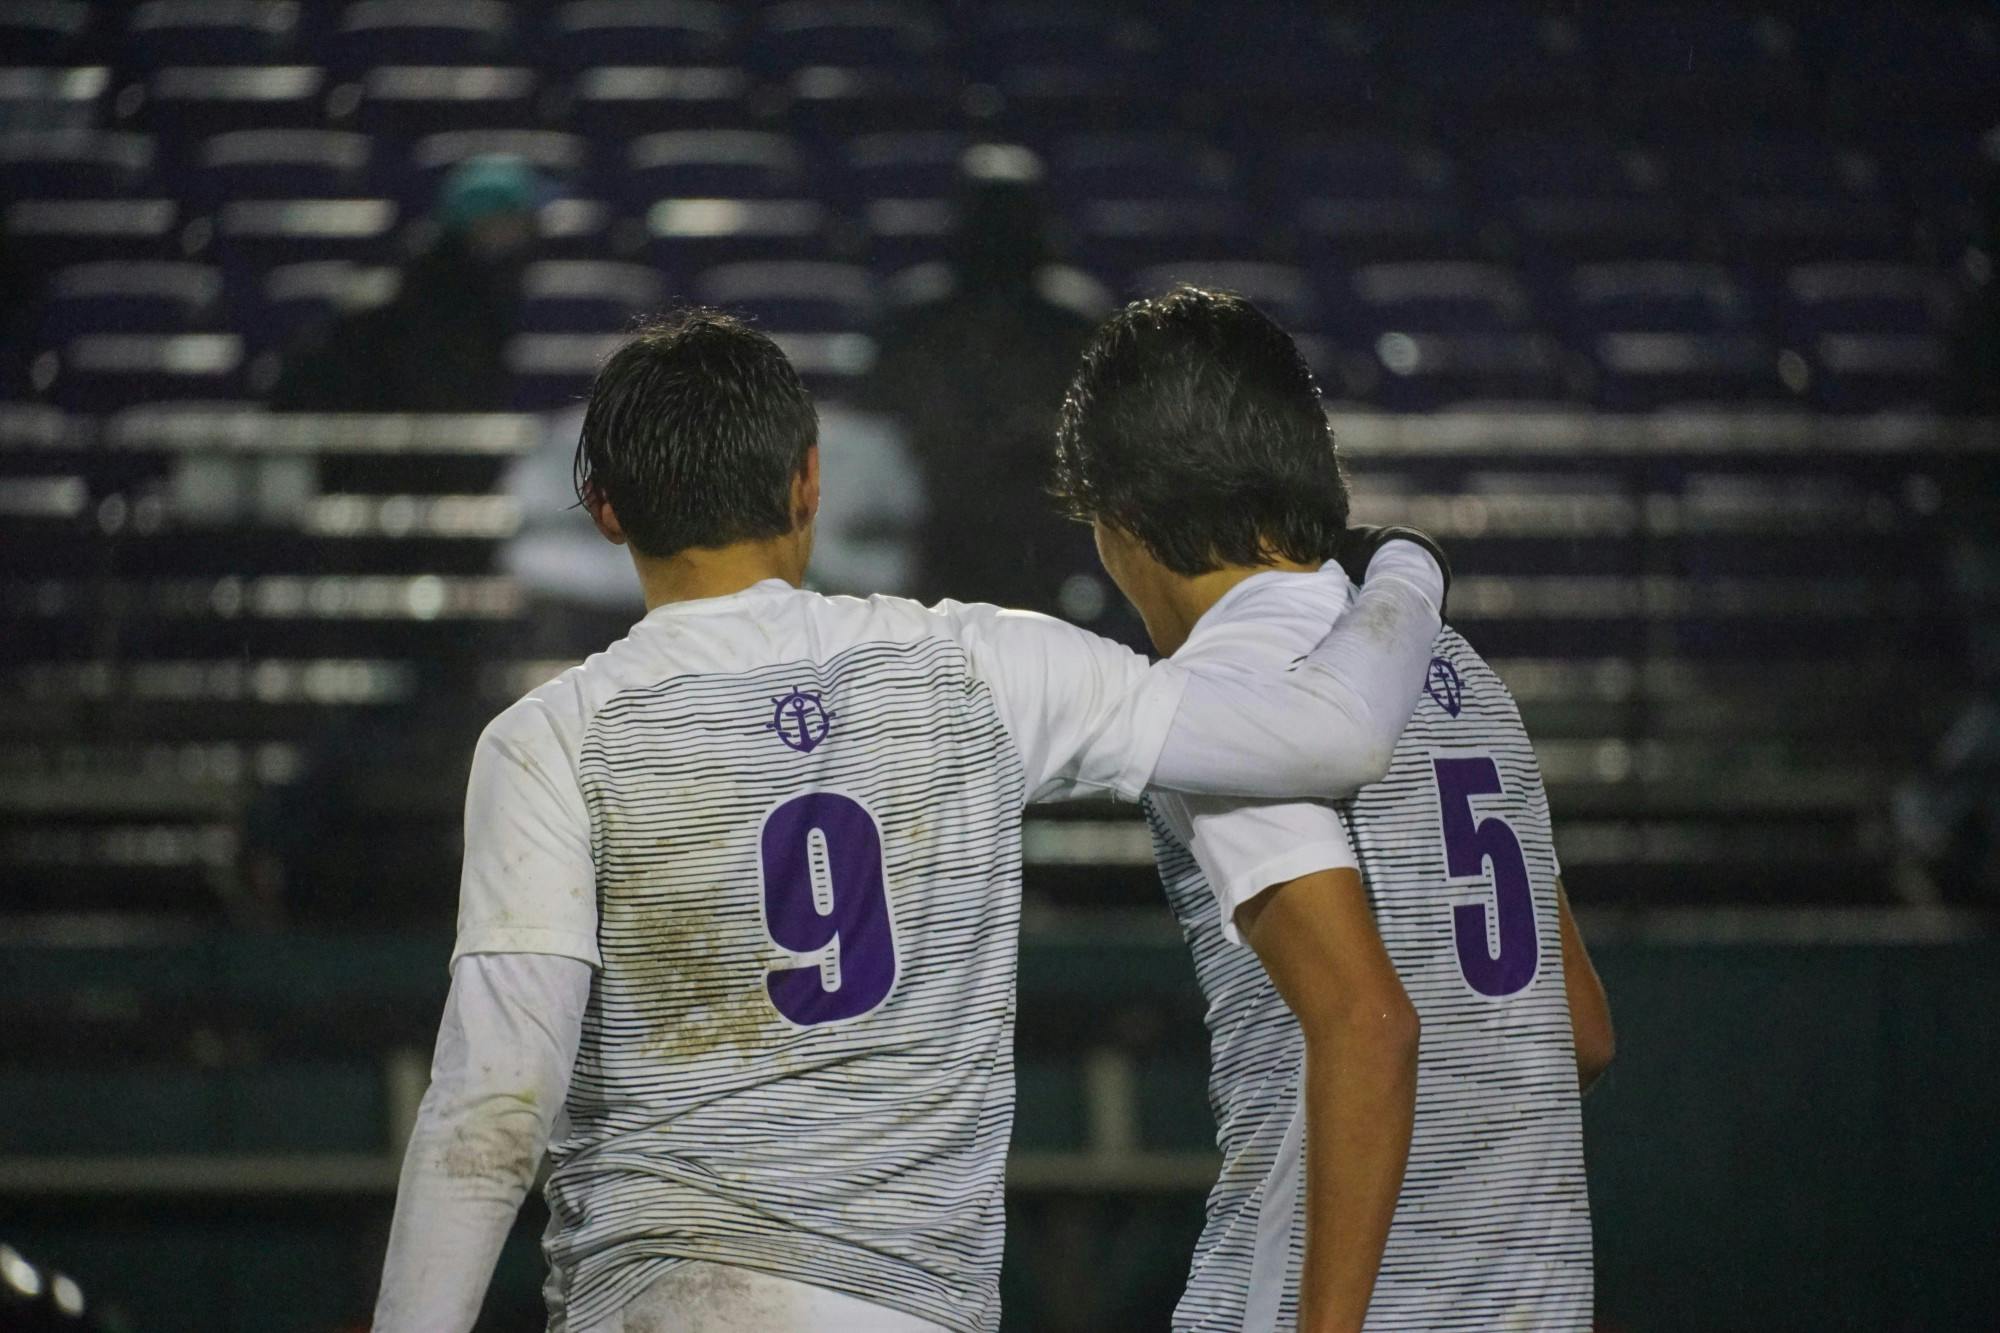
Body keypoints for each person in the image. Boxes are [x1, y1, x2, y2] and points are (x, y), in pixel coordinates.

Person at [370, 310, 1449, 1333]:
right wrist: (1405, 563)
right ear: (808, 482)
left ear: (605, 507)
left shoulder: (549, 739)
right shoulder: (981, 666)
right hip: (907, 1303)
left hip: (660, 1298)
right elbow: (1336, 731)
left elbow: (491, 1111)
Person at [1050, 288, 1614, 1333]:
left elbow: (1366, 1021)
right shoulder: (1455, 667)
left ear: (1120, 521)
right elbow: (1573, 1032)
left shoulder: (1223, 691)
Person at [859, 144, 1106, 615]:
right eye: (990, 217)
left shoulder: (1075, 321)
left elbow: (1107, 431)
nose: (1001, 236)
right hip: (943, 530)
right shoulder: (917, 317)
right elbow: (874, 428)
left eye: (1012, 217)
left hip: (1043, 539)